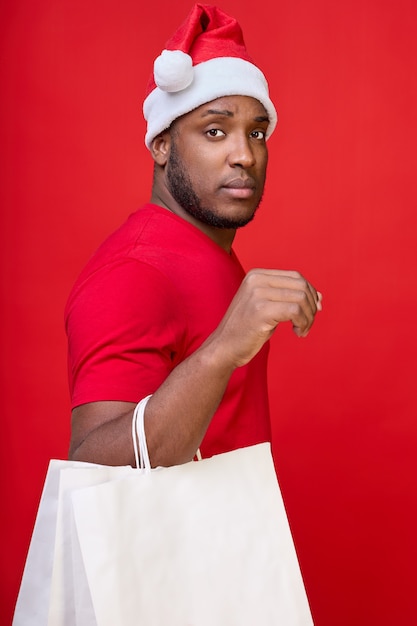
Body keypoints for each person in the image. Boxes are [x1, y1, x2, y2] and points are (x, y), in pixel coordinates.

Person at [65, 3, 322, 469]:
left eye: (257, 133)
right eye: (215, 131)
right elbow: (92, 470)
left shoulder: (205, 250)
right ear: (161, 143)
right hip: (167, 544)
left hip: (229, 537)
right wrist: (224, 347)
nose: (244, 154)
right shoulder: (133, 270)